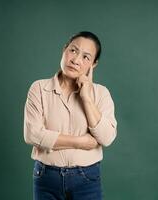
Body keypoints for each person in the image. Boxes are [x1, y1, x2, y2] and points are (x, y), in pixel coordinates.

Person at [23, 31, 117, 200]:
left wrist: (86, 97)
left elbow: (106, 138)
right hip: (46, 176)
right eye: (73, 50)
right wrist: (80, 142)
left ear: (93, 64)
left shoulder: (101, 93)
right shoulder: (39, 88)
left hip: (87, 178)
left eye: (86, 57)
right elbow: (32, 134)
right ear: (64, 50)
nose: (76, 60)